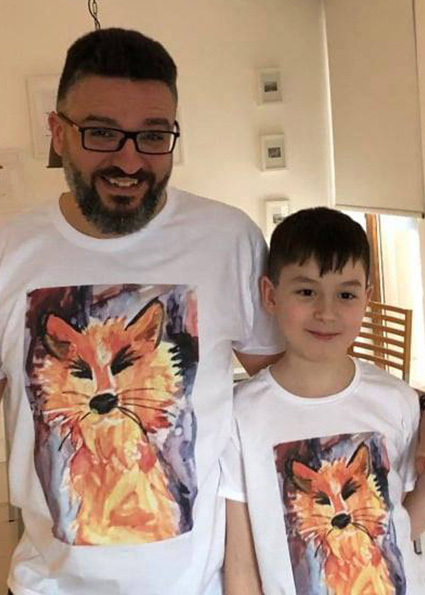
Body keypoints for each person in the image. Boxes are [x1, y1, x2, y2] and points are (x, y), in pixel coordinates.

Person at [0, 28, 282, 595]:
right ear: (58, 132)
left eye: (153, 135)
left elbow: (282, 396)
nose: (129, 160)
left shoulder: (229, 239)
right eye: (102, 132)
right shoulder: (9, 252)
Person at [220, 207, 423, 594]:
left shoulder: (397, 400)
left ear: (366, 298)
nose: (326, 312)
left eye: (345, 294)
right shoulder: (240, 414)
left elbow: (397, 524)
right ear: (271, 295)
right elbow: (241, 565)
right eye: (306, 291)